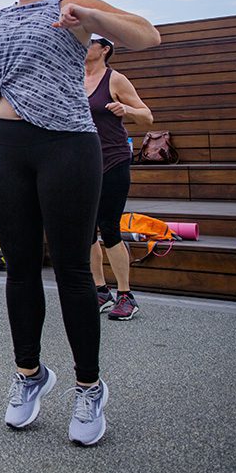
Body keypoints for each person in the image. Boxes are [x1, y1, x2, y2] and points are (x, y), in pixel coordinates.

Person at [0, 0, 160, 447]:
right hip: (9, 146)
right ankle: (29, 375)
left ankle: (89, 386)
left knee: (70, 268)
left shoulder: (73, 5)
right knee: (19, 266)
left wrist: (92, 19)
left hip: (67, 145)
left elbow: (147, 35)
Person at [85, 36, 153, 321]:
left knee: (109, 228)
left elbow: (147, 116)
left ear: (104, 49)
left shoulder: (116, 80)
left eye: (90, 42)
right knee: (86, 232)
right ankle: (101, 290)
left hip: (112, 161)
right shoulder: (73, 77)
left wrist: (127, 110)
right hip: (82, 164)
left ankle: (126, 295)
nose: (84, 45)